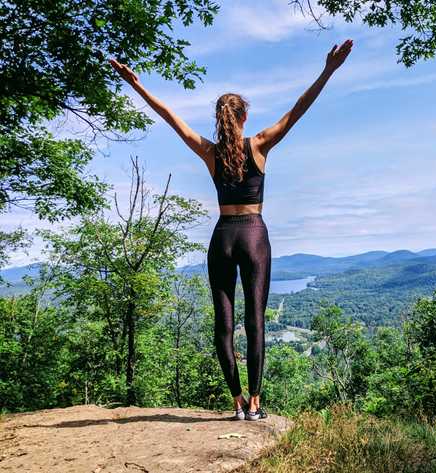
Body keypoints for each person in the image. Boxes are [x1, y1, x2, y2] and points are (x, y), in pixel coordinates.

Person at [110, 38, 354, 421]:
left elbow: (171, 118)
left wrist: (137, 85)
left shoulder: (210, 153)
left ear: (220, 120)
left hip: (222, 236)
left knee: (223, 324)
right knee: (254, 320)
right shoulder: (258, 145)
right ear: (242, 118)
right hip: (254, 235)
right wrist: (328, 71)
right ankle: (256, 403)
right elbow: (297, 110)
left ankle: (236, 401)